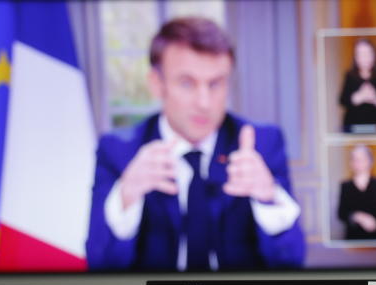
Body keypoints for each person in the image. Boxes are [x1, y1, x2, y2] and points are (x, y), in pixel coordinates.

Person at [86, 17, 304, 271]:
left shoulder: (263, 143)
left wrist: (268, 197)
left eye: (216, 84)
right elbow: (100, 265)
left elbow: (291, 263)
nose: (204, 102)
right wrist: (127, 195)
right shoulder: (118, 150)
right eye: (187, 83)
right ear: (157, 84)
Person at [338, 39, 376, 133]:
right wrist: (359, 97)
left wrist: (375, 99)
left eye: (368, 54)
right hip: (353, 127)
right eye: (361, 54)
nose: (365, 58)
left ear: (374, 55)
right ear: (356, 57)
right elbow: (342, 101)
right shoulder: (350, 76)